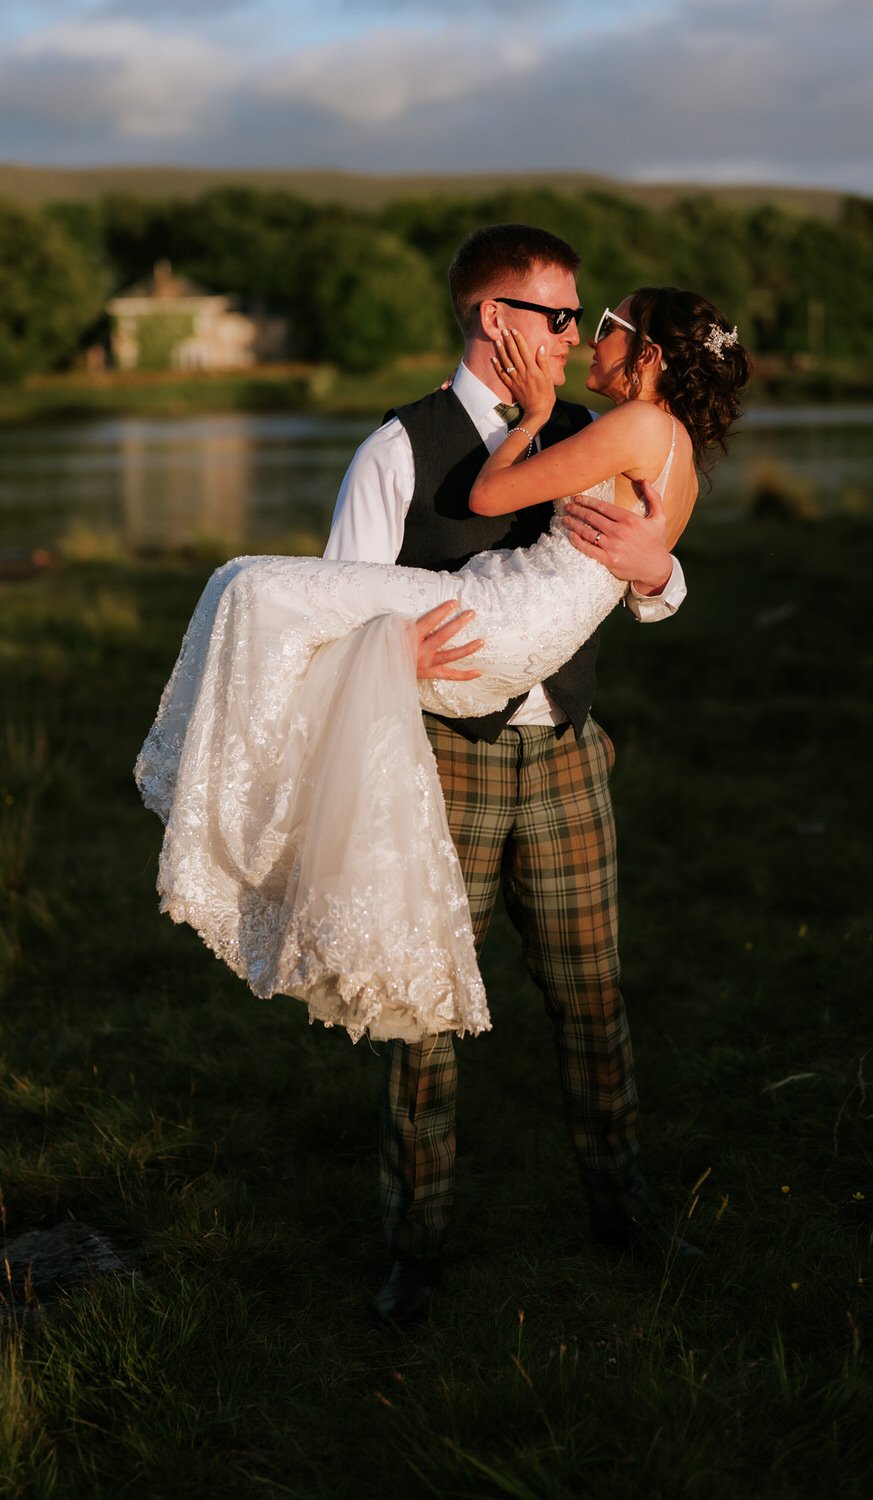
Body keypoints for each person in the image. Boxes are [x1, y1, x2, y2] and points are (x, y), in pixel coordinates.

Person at [134, 237, 749, 1323]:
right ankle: (413, 1253)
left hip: (564, 755)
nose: (570, 336)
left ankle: (623, 1212)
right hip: (441, 765)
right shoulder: (395, 450)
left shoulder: (588, 431)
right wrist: (392, 656)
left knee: (591, 1001)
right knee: (415, 1014)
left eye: (580, 319)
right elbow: (336, 605)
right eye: (555, 316)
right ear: (489, 317)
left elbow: (653, 556)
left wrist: (660, 571)